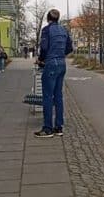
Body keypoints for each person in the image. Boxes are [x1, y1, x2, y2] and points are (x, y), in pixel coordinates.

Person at [34, 9, 74, 138]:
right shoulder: (64, 30)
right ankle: (58, 127)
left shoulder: (46, 30)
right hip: (62, 64)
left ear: (48, 19)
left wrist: (41, 60)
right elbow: (70, 48)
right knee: (58, 96)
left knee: (47, 96)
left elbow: (44, 48)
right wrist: (60, 55)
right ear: (58, 19)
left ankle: (47, 128)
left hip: (51, 64)